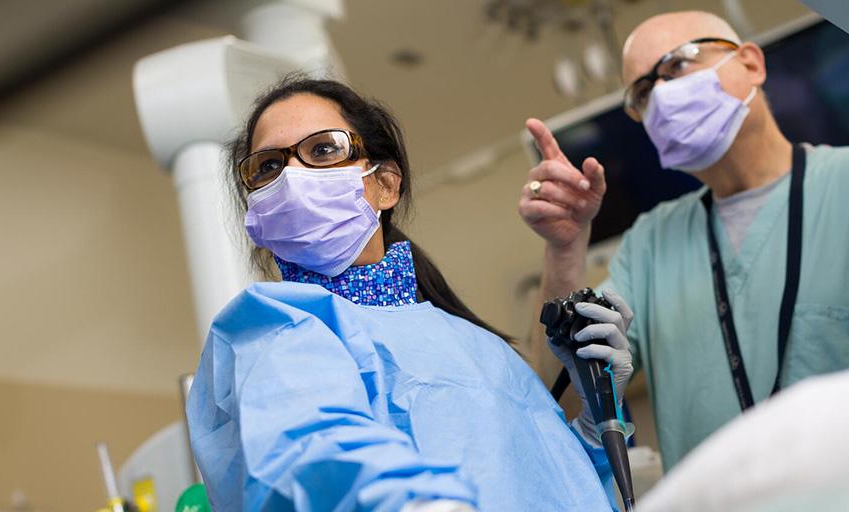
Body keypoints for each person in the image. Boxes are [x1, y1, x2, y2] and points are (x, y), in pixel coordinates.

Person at [518, 11, 849, 471]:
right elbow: (564, 395)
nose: (662, 95)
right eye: (642, 92)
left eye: (679, 64)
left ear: (750, 63)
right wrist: (565, 247)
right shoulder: (650, 245)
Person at [185, 77, 634, 511]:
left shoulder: (483, 348)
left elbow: (554, 483)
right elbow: (312, 456)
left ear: (385, 185)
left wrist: (597, 429)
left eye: (322, 149)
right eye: (268, 167)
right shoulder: (271, 327)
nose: (292, 176)